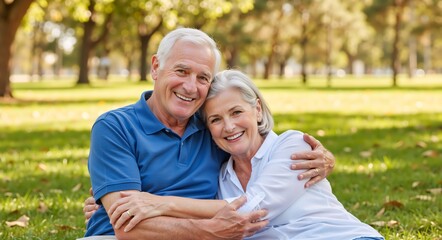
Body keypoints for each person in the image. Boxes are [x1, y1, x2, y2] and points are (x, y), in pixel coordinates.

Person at [81, 28, 335, 239]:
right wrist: (208, 231)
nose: (190, 87)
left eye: (203, 77)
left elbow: (260, 148)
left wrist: (323, 158)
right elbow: (126, 227)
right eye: (181, 71)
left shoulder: (212, 130)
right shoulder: (114, 127)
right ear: (156, 67)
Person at [104, 70, 384, 240]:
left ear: (258, 110)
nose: (229, 126)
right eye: (215, 119)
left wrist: (158, 203)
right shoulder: (221, 178)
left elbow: (250, 209)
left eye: (237, 112)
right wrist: (108, 197)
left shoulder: (293, 145)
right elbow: (212, 220)